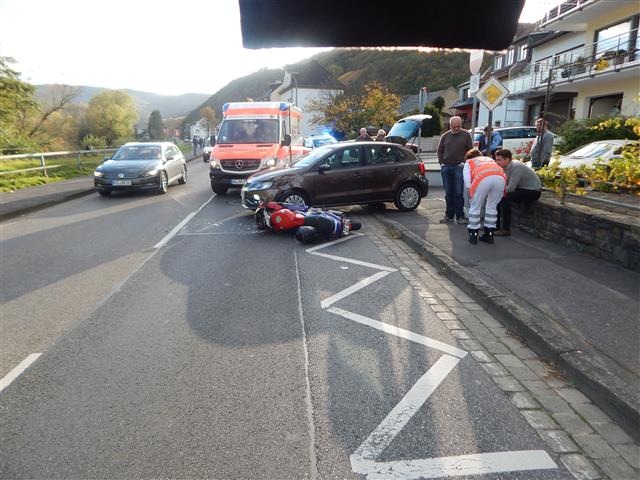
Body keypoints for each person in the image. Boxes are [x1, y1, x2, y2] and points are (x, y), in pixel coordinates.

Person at [494, 148, 542, 236]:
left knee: (504, 198)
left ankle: (505, 229)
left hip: (533, 191)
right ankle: (495, 226)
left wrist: (498, 192)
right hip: (521, 188)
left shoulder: (516, 167)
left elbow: (511, 188)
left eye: (499, 160)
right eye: (496, 159)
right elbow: (504, 183)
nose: (497, 162)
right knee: (498, 197)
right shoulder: (504, 167)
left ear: (507, 159)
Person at [463, 149, 506, 244]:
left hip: (483, 178)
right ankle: (489, 235)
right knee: (492, 206)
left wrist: (471, 193)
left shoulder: (469, 162)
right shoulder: (489, 159)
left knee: (475, 206)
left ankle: (473, 236)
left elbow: (467, 181)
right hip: (500, 177)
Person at [437, 116, 473, 224]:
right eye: (454, 127)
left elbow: (470, 150)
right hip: (446, 166)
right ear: (450, 125)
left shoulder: (466, 135)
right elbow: (440, 150)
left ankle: (460, 216)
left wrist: (463, 163)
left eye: (459, 126)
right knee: (448, 192)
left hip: (459, 166)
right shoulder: (445, 136)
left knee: (458, 192)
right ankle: (449, 215)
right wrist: (442, 163)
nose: (457, 128)